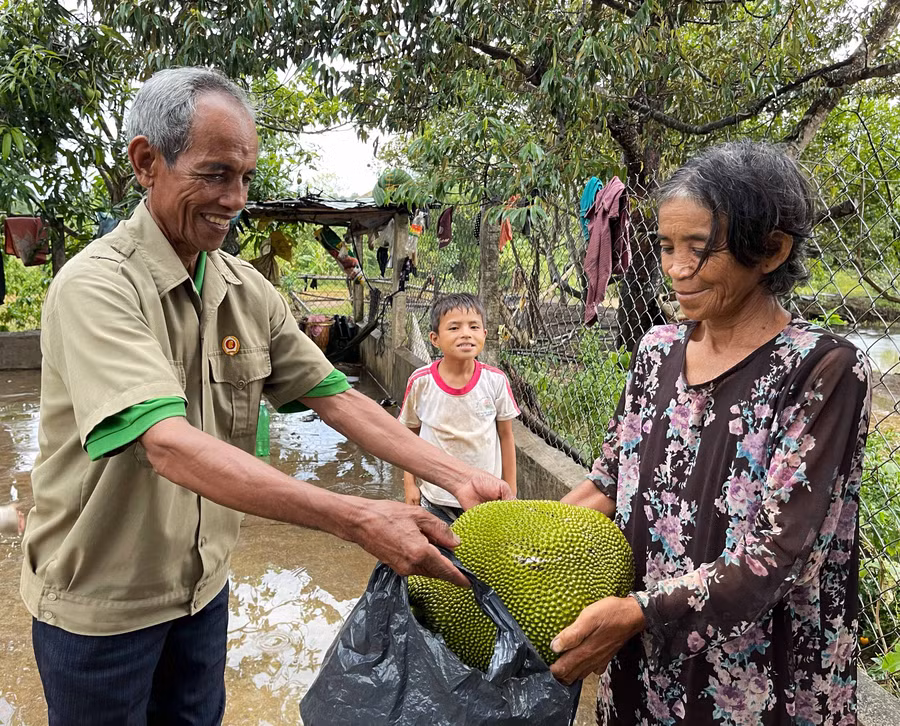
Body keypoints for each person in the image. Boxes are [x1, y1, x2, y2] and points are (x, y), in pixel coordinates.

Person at [20, 67, 511, 726]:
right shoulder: (96, 288)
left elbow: (338, 398)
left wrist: (458, 474)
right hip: (101, 607)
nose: (236, 198)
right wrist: (357, 517)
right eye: (216, 173)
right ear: (147, 162)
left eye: (246, 177)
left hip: (201, 593)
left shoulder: (246, 290)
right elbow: (167, 447)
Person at [550, 141, 872, 726]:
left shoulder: (823, 369)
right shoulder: (657, 350)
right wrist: (525, 547)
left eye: (697, 250)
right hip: (646, 657)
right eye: (667, 247)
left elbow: (781, 555)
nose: (675, 269)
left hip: (758, 676)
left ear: (770, 249)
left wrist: (640, 610)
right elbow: (608, 480)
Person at [400, 293, 519, 520]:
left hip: (486, 498)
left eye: (474, 327)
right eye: (454, 328)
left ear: (484, 334)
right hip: (434, 496)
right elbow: (409, 434)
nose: (466, 334)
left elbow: (506, 436)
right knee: (437, 552)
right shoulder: (421, 382)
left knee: (481, 553)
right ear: (435, 339)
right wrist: (410, 484)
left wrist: (511, 491)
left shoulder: (495, 381)